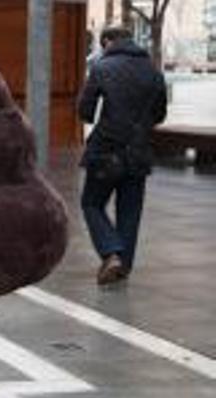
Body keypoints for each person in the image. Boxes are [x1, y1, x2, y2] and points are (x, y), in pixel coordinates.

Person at [78, 26, 167, 286]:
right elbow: (159, 115)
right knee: (130, 211)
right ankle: (122, 266)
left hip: (106, 151)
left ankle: (111, 253)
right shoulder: (153, 72)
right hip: (138, 153)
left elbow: (86, 111)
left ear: (107, 42)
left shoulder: (102, 67)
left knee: (92, 203)